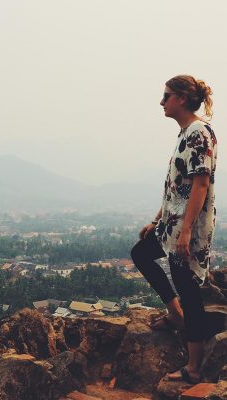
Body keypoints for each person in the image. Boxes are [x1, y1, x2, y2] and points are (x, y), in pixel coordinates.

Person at [130, 75, 217, 384]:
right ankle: (174, 312)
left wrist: (185, 231)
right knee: (141, 252)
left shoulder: (198, 133)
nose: (161, 102)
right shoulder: (186, 133)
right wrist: (157, 220)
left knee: (190, 294)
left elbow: (200, 183)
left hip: (185, 231)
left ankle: (194, 368)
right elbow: (177, 187)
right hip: (171, 226)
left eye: (166, 96)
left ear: (181, 98)